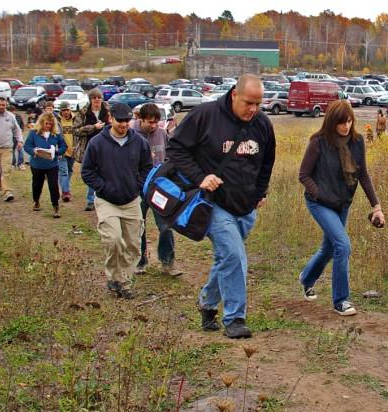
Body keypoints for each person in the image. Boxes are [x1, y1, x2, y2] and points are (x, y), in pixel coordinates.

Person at [167, 74, 276, 339]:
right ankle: (235, 318)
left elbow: (267, 162)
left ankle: (206, 303)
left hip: (246, 205)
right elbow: (176, 148)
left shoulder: (262, 123)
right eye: (248, 103)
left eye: (258, 104)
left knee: (227, 257)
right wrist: (200, 177)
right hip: (213, 204)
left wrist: (260, 192)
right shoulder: (205, 116)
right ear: (234, 95)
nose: (253, 109)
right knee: (235, 256)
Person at [298, 100, 384, 317]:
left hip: (342, 203)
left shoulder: (357, 141)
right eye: (341, 122)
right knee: (343, 245)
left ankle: (307, 278)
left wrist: (376, 206)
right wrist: (319, 193)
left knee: (329, 248)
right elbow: (304, 175)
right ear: (331, 122)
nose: (346, 126)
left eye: (349, 121)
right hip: (319, 203)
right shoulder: (318, 142)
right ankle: (341, 300)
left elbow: (362, 174)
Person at [81, 103, 152, 300]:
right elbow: (87, 172)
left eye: (127, 121)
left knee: (133, 244)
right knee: (113, 240)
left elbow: (147, 167)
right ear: (110, 118)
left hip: (131, 200)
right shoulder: (97, 143)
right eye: (120, 120)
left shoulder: (139, 142)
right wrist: (104, 187)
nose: (123, 125)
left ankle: (123, 282)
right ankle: (114, 276)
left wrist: (137, 185)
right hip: (107, 201)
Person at [130, 103, 180, 277]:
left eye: (156, 122)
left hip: (159, 189)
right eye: (150, 122)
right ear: (140, 119)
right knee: (138, 226)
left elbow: (170, 157)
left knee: (166, 225)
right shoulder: (131, 134)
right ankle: (140, 261)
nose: (153, 126)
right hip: (138, 188)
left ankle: (168, 262)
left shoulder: (161, 134)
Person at [73, 88, 111, 211]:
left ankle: (105, 198)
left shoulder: (108, 111)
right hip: (89, 147)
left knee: (106, 173)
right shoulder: (83, 113)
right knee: (92, 173)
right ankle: (90, 200)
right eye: (94, 98)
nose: (97, 100)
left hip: (107, 147)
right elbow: (76, 131)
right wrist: (93, 127)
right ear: (90, 99)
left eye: (99, 97)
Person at [23, 112, 67, 218]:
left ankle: (56, 206)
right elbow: (27, 146)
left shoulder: (56, 134)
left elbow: (63, 146)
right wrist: (34, 151)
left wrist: (56, 152)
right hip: (37, 164)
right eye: (46, 123)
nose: (48, 126)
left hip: (52, 164)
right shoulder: (34, 133)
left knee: (53, 185)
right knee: (37, 184)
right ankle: (36, 200)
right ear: (42, 122)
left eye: (51, 124)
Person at [57, 101, 76, 202]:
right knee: (64, 172)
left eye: (67, 110)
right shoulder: (57, 121)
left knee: (70, 171)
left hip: (72, 150)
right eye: (64, 110)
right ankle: (65, 192)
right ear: (61, 111)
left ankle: (65, 188)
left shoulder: (75, 119)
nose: (66, 112)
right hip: (62, 150)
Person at [8, 104, 26, 170]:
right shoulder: (7, 117)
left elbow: (22, 125)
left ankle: (20, 163)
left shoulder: (18, 117)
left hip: (18, 137)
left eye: (13, 111)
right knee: (12, 150)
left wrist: (20, 132)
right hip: (10, 137)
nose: (12, 112)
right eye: (10, 111)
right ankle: (13, 164)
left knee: (20, 150)